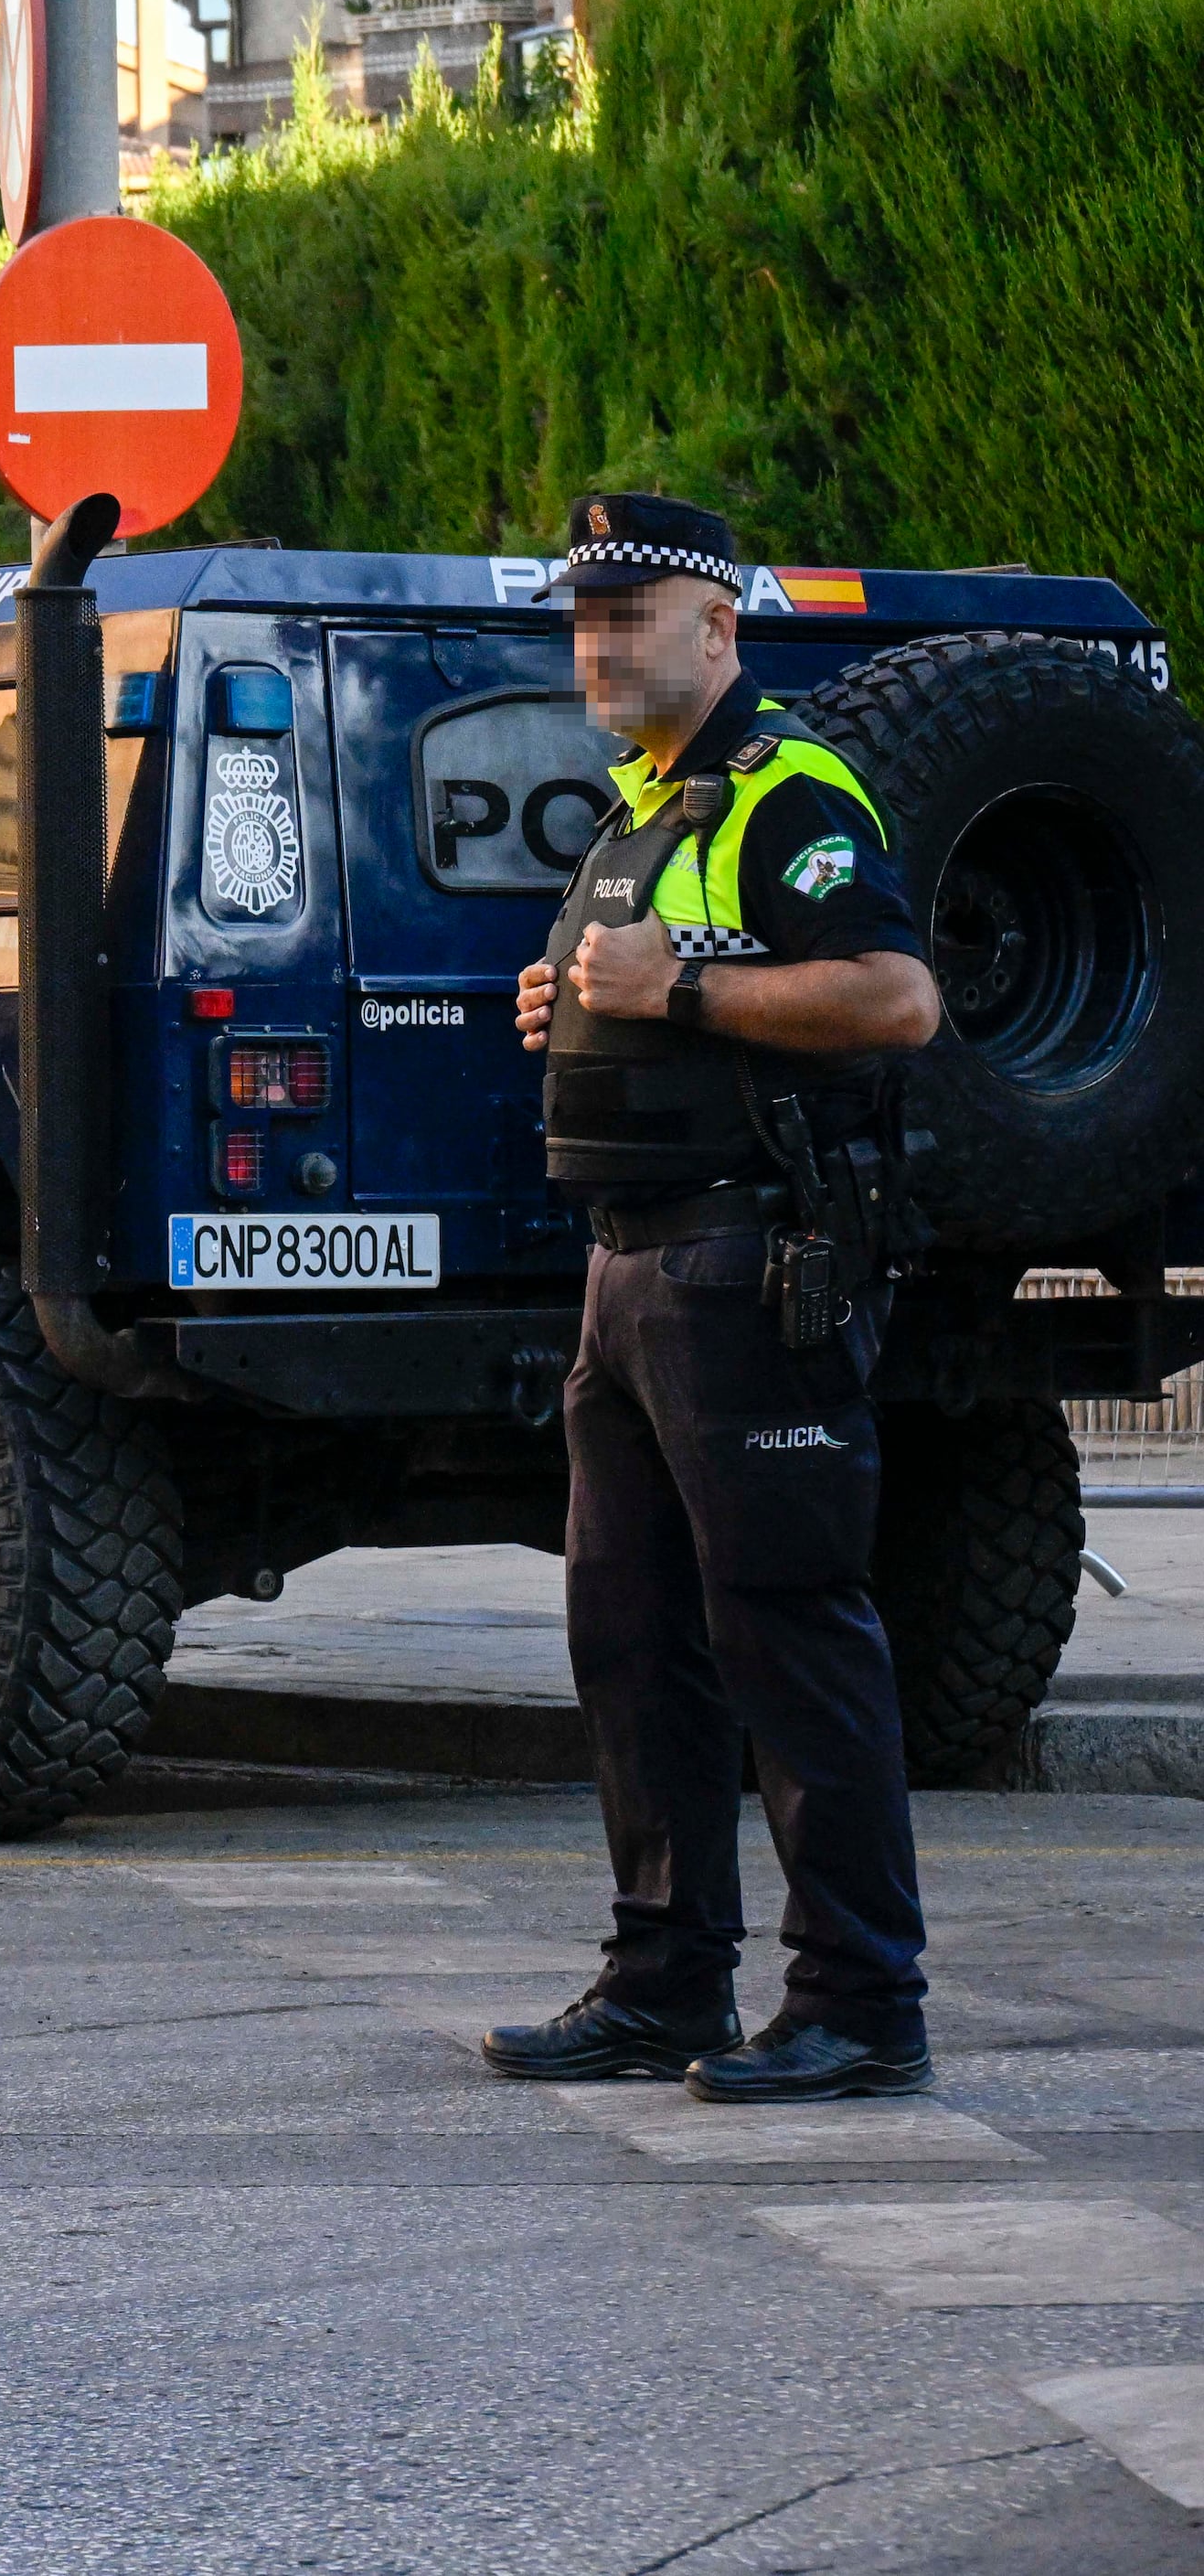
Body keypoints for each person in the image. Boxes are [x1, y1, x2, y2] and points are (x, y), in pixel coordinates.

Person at [488, 494, 948, 2104]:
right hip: (628, 1271)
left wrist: (673, 986)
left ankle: (859, 2002)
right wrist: (579, 1003)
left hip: (747, 1264)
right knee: (629, 1636)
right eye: (585, 618)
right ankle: (665, 1977)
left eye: (634, 613)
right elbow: (656, 995)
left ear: (721, 628)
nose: (600, 642)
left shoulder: (785, 787)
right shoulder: (643, 804)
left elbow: (897, 995)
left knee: (788, 1629)